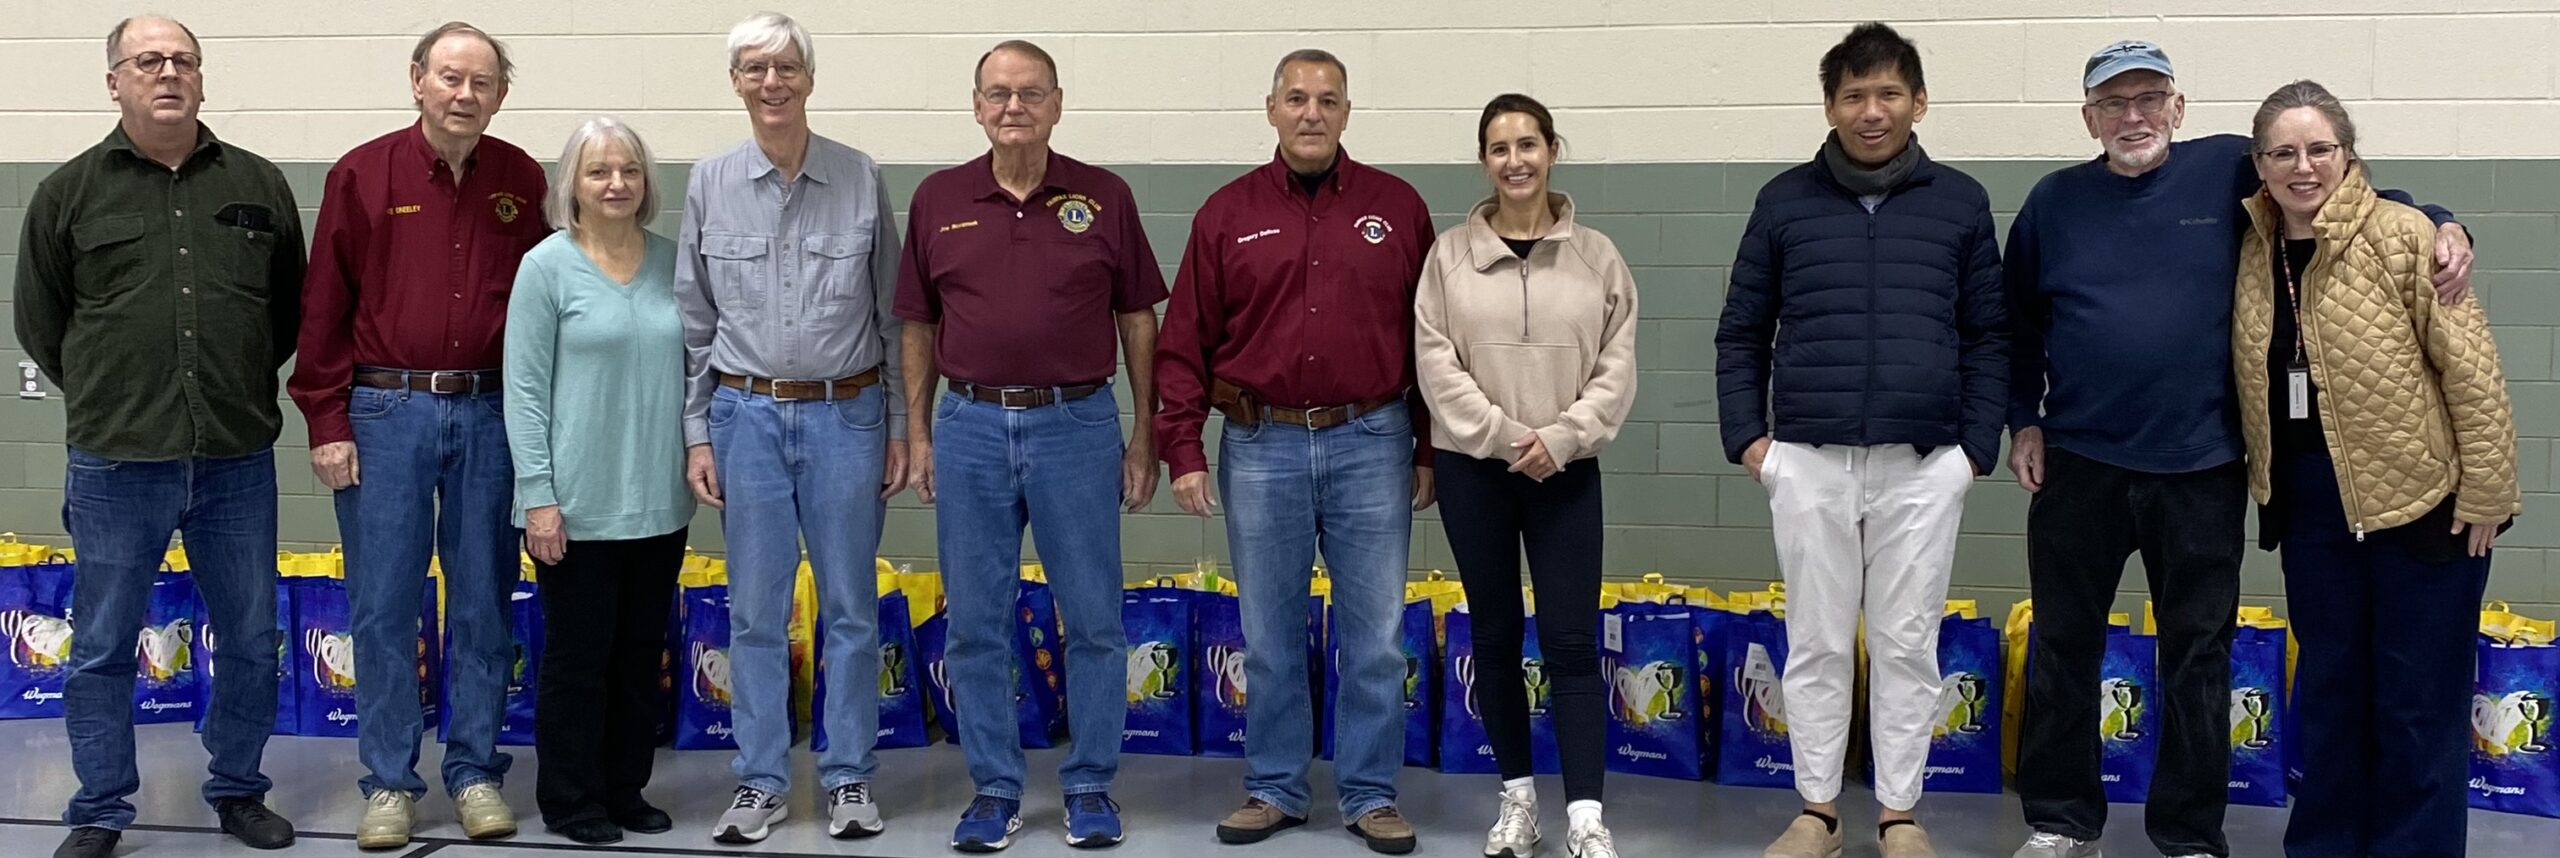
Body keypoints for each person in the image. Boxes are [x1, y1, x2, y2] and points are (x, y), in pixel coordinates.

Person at [2003, 41, 2476, 858]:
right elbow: (2014, 327)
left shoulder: (2227, 171)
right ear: (2089, 119)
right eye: (2114, 104)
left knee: (2199, 657)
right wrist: (2024, 419)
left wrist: (2436, 217)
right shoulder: (2052, 203)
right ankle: (2061, 821)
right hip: (2079, 463)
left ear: (2179, 109)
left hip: (2201, 466)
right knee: (2065, 645)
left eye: (2150, 98)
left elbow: (2331, 194)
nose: (2134, 116)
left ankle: (2187, 833)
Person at [1713, 23, 2005, 858]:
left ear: (1919, 101)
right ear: (1830, 105)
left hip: (1924, 464)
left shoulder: (1960, 202)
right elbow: (1742, 331)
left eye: (1887, 94)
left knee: (1910, 642)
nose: (1870, 112)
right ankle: (1818, 811)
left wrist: (1972, 451)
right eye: (1853, 96)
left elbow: (1989, 333)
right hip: (1807, 460)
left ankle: (1900, 815)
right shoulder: (1784, 201)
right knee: (1815, 641)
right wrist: (1751, 444)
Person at [15, 16, 304, 858]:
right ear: (115, 81)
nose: (167, 73)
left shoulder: (257, 182)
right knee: (102, 645)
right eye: (148, 61)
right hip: (115, 462)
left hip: (235, 459)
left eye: (182, 60)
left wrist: (233, 380)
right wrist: (116, 395)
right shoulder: (67, 193)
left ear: (202, 79)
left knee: (251, 639)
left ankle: (240, 791)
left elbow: (285, 314)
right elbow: (43, 323)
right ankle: (100, 808)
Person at [1154, 48, 1435, 856]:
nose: (1312, 113)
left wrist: (1428, 450)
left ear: (1348, 113)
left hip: (1372, 441)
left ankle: (1370, 792)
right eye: (1297, 99)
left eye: (1328, 100)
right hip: (1260, 443)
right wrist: (1184, 448)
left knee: (1376, 634)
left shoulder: (1398, 207)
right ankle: (1276, 786)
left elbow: (1429, 343)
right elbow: (1184, 343)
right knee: (1270, 633)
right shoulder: (1225, 213)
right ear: (1270, 109)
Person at [2233, 80, 2518, 858]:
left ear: (2348, 155)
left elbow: (2473, 369)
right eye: (2283, 152)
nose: (2303, 166)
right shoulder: (2251, 245)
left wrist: (2490, 487)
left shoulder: (2405, 235)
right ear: (2258, 165)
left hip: (2426, 508)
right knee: (2330, 695)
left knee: (2417, 706)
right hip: (2312, 510)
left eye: (2320, 148)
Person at [894, 39, 1165, 853]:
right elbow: (918, 323)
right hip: (970, 426)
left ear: (1056, 103)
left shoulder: (1104, 197)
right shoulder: (938, 198)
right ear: (977, 106)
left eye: (1030, 93)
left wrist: (1144, 432)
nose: (1014, 106)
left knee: (1092, 619)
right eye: (998, 93)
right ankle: (994, 788)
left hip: (1077, 426)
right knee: (975, 621)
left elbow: (1137, 320)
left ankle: (1088, 784)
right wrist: (919, 432)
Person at [286, 21, 547, 851]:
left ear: (500, 94)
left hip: (490, 413)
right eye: (450, 78)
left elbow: (543, 313)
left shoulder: (522, 178)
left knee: (482, 602)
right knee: (383, 607)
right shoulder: (363, 174)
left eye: (482, 83)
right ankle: (390, 782)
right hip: (384, 412)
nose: (464, 95)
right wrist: (327, 420)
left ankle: (473, 773)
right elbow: (322, 308)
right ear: (417, 80)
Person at [672, 12, 908, 845]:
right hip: (746, 418)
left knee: (849, 606)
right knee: (755, 610)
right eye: (753, 68)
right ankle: (761, 779)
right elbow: (694, 322)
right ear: (735, 82)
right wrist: (698, 433)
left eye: (785, 67)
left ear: (809, 79)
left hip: (850, 415)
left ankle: (849, 776)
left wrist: (901, 430)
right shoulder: (708, 181)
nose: (771, 82)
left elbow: (892, 314)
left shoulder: (859, 174)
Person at [1417, 92, 1638, 858]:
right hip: (1475, 469)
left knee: (1573, 643)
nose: (1515, 160)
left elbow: (1616, 367)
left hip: (1567, 472)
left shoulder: (1598, 257)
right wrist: (1509, 438)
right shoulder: (1447, 258)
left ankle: (1585, 818)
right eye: (1500, 147)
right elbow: (1435, 363)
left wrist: (1562, 438)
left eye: (1528, 144)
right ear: (1485, 161)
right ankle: (1518, 803)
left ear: (1552, 151)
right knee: (1497, 636)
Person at [504, 116, 694, 846]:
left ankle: (625, 788)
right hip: (574, 510)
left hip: (658, 504)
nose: (616, 183)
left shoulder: (674, 264)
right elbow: (522, 393)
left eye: (629, 171)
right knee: (578, 661)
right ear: (572, 185)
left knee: (640, 655)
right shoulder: (545, 268)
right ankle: (571, 798)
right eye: (598, 171)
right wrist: (539, 499)